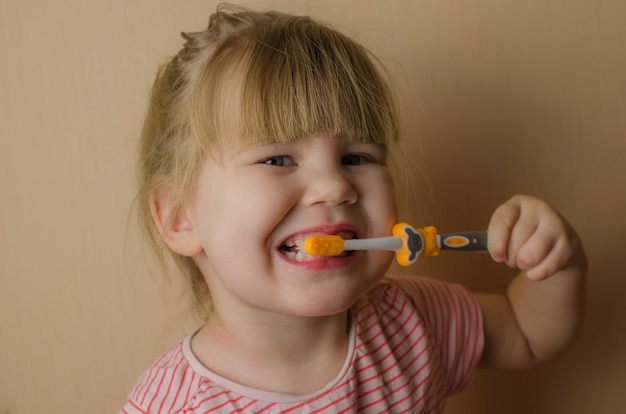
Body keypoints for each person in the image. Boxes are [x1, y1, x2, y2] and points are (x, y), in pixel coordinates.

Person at [120, 4, 587, 413]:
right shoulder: (173, 407)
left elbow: (527, 333)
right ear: (181, 217)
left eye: (357, 158)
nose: (334, 186)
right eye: (278, 159)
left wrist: (555, 266)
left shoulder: (410, 320)